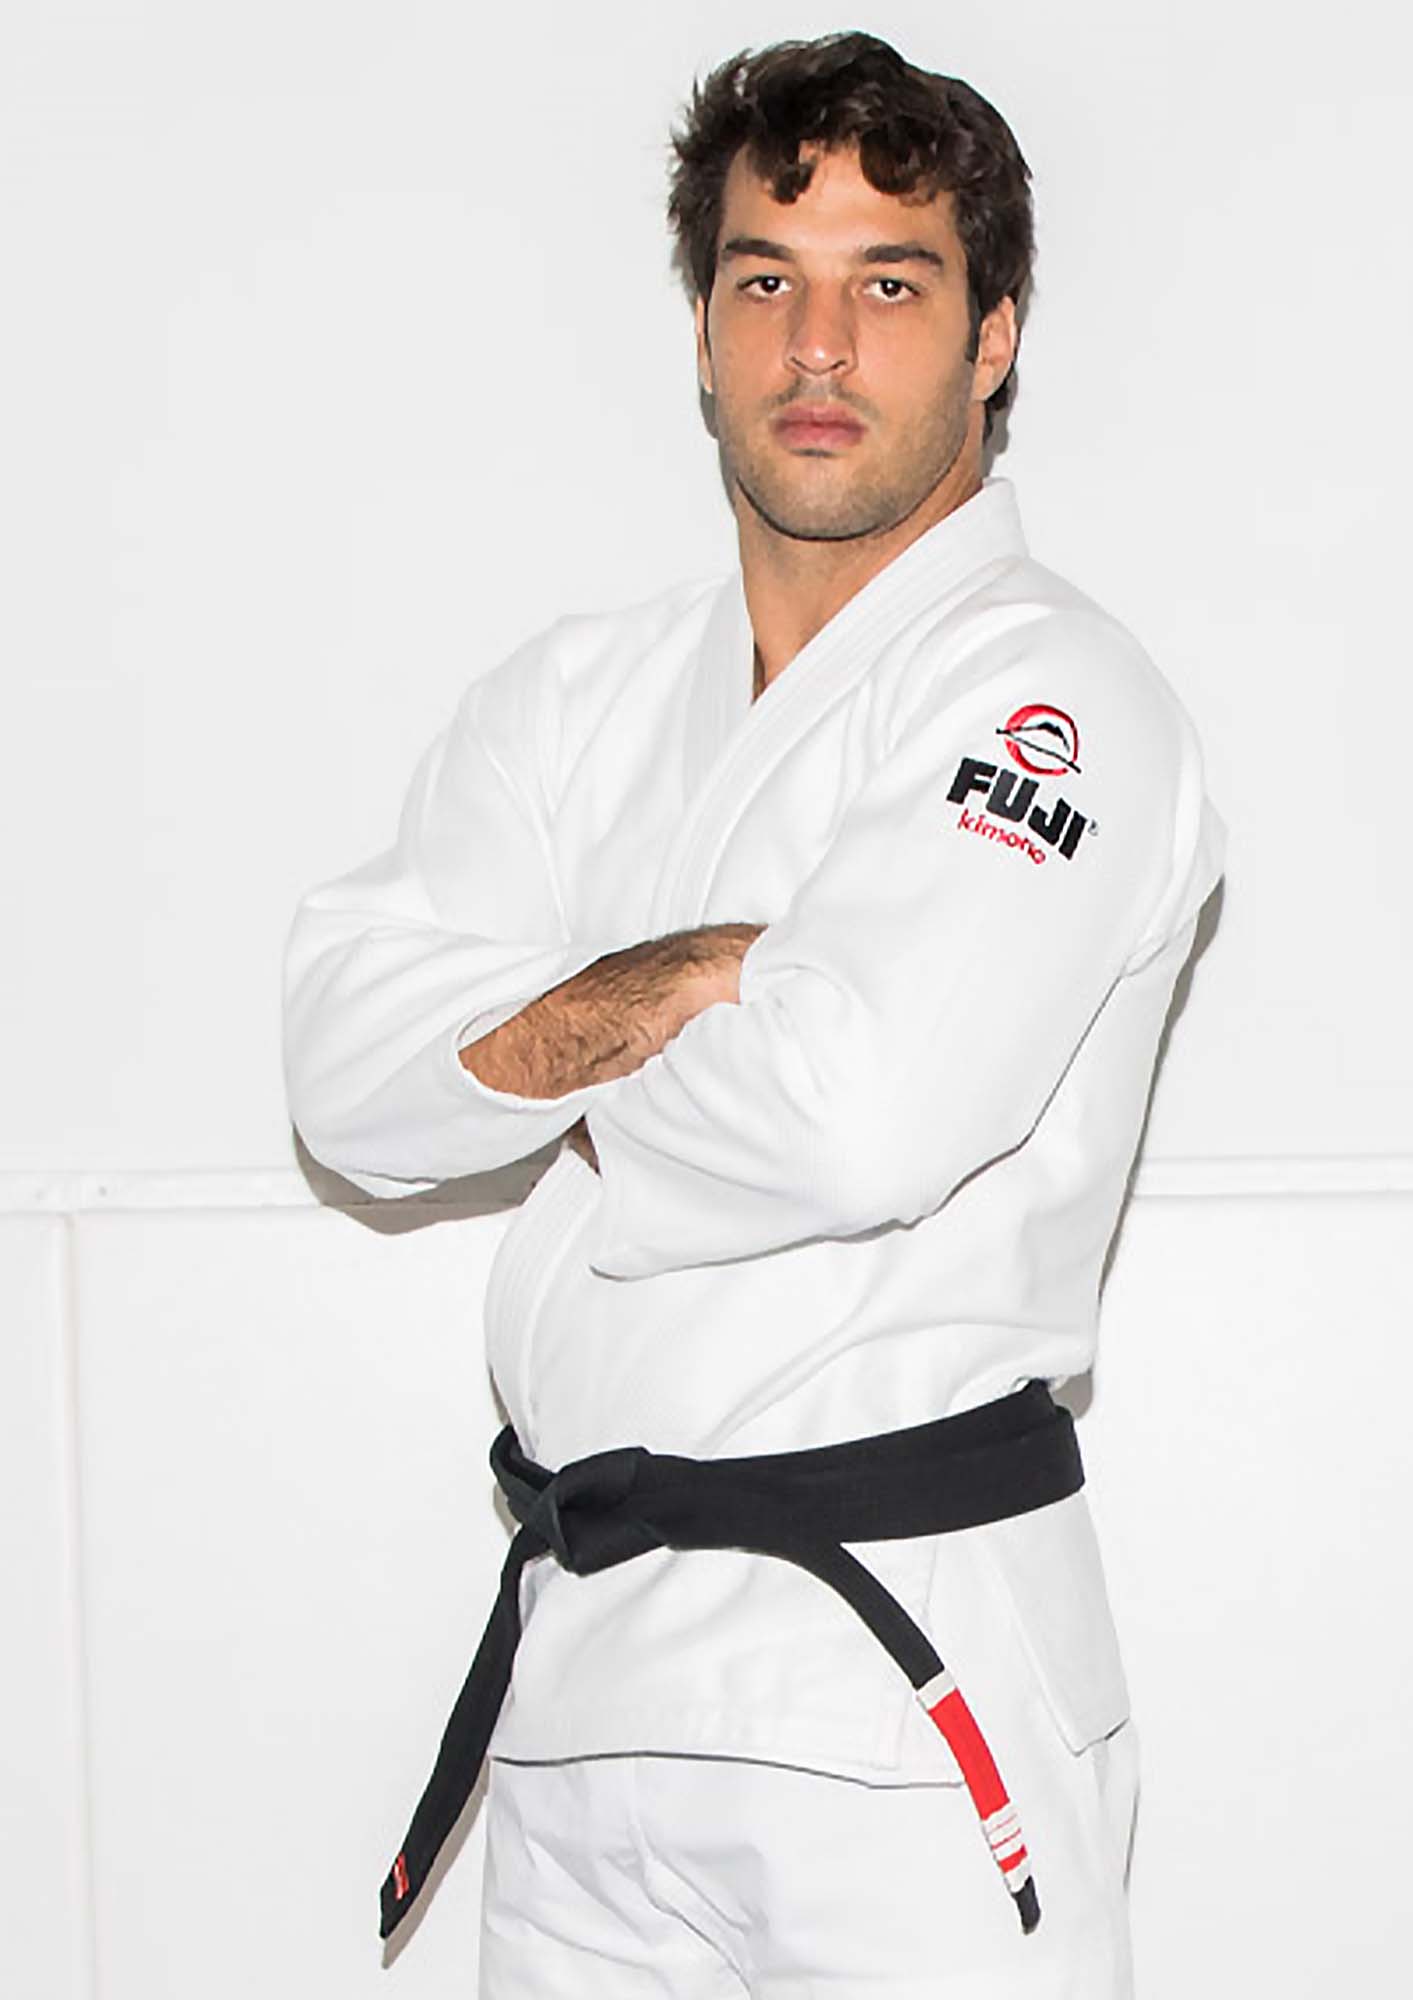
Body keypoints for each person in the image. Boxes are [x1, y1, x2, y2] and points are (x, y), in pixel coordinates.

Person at [284, 30, 1224, 1999]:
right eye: (764, 278)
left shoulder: (1055, 699)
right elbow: (347, 1078)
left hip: (894, 1679)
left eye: (892, 282)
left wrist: (524, 1056)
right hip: (583, 1689)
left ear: (994, 339)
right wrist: (682, 979)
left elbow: (851, 1115)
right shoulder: (574, 699)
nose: (819, 343)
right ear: (704, 332)